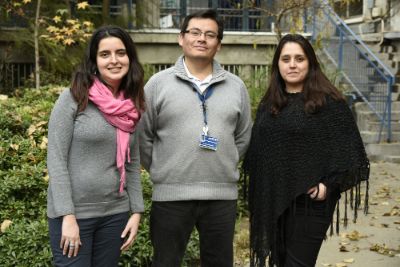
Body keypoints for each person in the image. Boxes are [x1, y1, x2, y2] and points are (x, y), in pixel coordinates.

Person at [243, 34, 370, 267]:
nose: (292, 64)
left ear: (310, 63)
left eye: (299, 58)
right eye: (286, 59)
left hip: (311, 204)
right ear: (278, 65)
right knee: (280, 262)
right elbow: (261, 152)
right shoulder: (270, 103)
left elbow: (351, 153)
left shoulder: (330, 102)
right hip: (276, 199)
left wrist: (328, 186)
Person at [138, 9, 252, 267]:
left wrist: (226, 161)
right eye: (195, 32)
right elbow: (143, 136)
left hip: (221, 196)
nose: (202, 39)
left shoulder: (236, 87)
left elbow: (243, 136)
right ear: (181, 38)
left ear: (218, 44)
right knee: (166, 262)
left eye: (210, 34)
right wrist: (159, 170)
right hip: (171, 195)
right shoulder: (158, 84)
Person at [47, 25, 145, 266]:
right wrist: (67, 216)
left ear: (130, 58)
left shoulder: (132, 105)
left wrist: (136, 212)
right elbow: (56, 159)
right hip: (74, 215)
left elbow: (132, 163)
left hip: (115, 214)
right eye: (105, 54)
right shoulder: (74, 97)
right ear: (94, 61)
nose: (114, 60)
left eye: (121, 53)